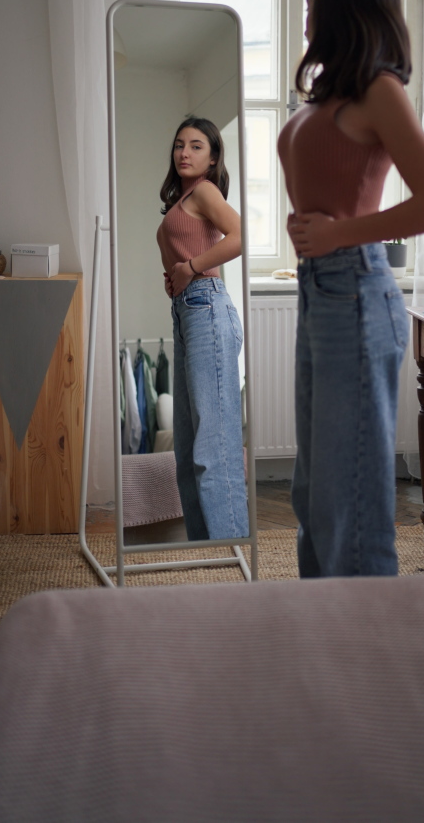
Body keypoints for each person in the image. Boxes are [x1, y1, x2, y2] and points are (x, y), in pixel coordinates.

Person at [278, 0, 424, 578]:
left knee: (347, 502)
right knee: (313, 494)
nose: (305, 9)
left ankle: (364, 655)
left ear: (344, 7)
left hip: (355, 292)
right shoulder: (332, 93)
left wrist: (338, 234)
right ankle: (319, 638)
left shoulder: (381, 88)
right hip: (321, 292)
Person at [156, 116, 249, 540]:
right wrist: (178, 275)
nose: (184, 152)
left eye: (196, 146)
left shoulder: (205, 191)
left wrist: (190, 268)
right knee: (187, 453)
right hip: (188, 313)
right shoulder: (184, 200)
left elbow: (240, 235)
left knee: (214, 450)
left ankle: (230, 554)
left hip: (207, 310)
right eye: (179, 145)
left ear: (212, 159)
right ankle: (201, 554)